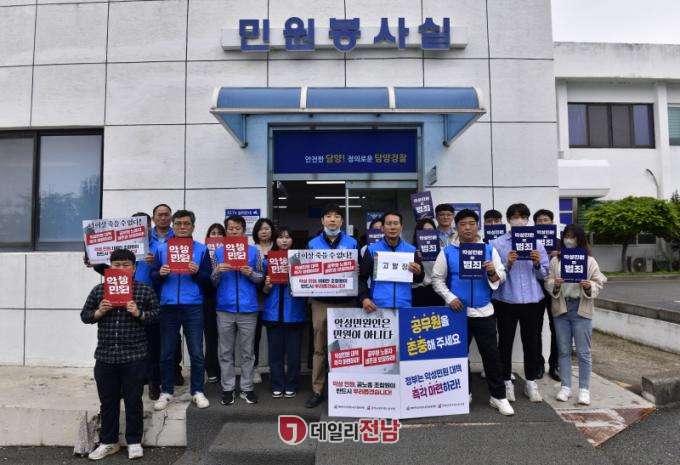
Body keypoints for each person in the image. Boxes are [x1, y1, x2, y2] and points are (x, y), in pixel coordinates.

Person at [431, 209, 514, 416]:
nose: (467, 228)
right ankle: (463, 393)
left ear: (478, 226)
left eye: (471, 223)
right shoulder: (447, 252)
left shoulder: (489, 250)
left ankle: (498, 396)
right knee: (459, 355)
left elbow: (501, 276)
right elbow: (437, 279)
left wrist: (492, 272)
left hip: (484, 311)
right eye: (463, 224)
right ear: (456, 227)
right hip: (457, 313)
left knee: (492, 356)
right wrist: (450, 298)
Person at [80, 248, 160, 461]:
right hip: (105, 356)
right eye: (117, 265)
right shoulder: (100, 290)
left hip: (134, 356)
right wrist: (99, 311)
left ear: (134, 268)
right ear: (110, 267)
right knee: (108, 402)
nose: (121, 268)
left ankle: (134, 442)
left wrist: (139, 313)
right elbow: (85, 316)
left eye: (126, 265)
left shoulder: (144, 291)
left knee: (134, 401)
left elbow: (156, 316)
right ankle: (108, 442)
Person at [152, 210, 212, 411]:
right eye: (178, 223)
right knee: (167, 353)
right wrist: (160, 274)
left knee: (196, 352)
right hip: (168, 305)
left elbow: (209, 279)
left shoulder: (201, 249)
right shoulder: (162, 249)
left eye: (186, 223)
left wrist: (197, 273)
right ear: (173, 226)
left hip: (193, 305)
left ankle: (197, 391)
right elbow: (153, 276)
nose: (182, 227)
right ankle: (167, 391)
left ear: (193, 226)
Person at [491, 203, 549, 403]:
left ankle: (531, 382)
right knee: (505, 343)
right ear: (508, 220)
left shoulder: (537, 243)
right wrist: (507, 263)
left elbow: (544, 274)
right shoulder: (498, 244)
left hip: (532, 300)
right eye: (515, 217)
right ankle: (506, 381)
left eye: (523, 217)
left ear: (528, 220)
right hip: (506, 300)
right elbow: (494, 275)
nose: (519, 220)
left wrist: (537, 263)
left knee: (531, 343)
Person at [545, 224, 606, 405]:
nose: (569, 240)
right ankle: (565, 387)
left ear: (579, 239)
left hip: (581, 308)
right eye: (566, 236)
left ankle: (584, 390)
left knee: (583, 352)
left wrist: (589, 285)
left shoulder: (589, 261)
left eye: (572, 236)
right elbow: (548, 281)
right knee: (563, 350)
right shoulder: (556, 260)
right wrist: (555, 284)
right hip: (562, 309)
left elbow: (599, 282)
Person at [305, 204, 358, 409]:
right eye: (328, 216)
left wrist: (357, 269)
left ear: (342, 221)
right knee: (319, 348)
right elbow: (304, 271)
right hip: (320, 302)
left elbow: (361, 273)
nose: (332, 219)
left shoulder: (352, 243)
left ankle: (344, 389)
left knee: (344, 348)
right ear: (322, 221)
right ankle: (317, 390)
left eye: (336, 216)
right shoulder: (312, 244)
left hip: (346, 302)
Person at [212, 215, 264, 406]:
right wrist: (217, 271)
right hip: (224, 307)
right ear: (226, 231)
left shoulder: (254, 251)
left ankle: (247, 388)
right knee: (225, 351)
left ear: (243, 230)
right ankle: (227, 388)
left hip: (248, 307)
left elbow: (260, 278)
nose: (234, 231)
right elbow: (213, 282)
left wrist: (251, 273)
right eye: (230, 228)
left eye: (237, 228)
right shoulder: (218, 252)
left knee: (247, 352)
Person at [262, 227, 306, 398]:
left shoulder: (301, 260)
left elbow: (309, 286)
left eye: (288, 237)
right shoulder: (267, 261)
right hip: (273, 314)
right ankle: (277, 384)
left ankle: (292, 384)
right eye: (280, 237)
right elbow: (263, 290)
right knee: (275, 355)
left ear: (293, 240)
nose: (284, 240)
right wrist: (267, 285)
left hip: (294, 313)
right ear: (275, 240)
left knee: (294, 355)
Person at [359, 211, 424, 311]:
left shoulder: (411, 250)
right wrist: (365, 298)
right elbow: (362, 278)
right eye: (389, 224)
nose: (392, 227)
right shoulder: (372, 250)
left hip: (405, 305)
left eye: (396, 223)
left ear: (401, 227)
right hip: (377, 306)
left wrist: (418, 272)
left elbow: (419, 279)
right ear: (382, 228)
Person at [151, 203, 184, 387]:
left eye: (166, 215)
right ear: (153, 218)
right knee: (150, 336)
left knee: (173, 335)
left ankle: (175, 370)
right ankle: (152, 375)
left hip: (171, 293)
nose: (163, 218)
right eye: (159, 215)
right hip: (146, 290)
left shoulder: (180, 237)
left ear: (171, 218)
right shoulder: (143, 239)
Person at [533, 209, 560, 381]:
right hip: (536, 288)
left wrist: (560, 255)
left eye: (546, 220)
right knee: (535, 328)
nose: (543, 223)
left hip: (555, 290)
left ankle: (555, 364)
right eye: (539, 221)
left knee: (556, 327)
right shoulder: (529, 242)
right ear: (534, 224)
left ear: (552, 222)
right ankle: (538, 364)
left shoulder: (560, 243)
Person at [252, 218, 275, 385]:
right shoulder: (251, 250)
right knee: (255, 336)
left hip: (276, 298)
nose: (264, 231)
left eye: (267, 228)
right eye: (261, 229)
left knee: (275, 336)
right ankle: (254, 368)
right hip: (257, 299)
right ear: (256, 232)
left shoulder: (279, 247)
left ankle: (275, 368)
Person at [203, 223, 226, 384]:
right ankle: (211, 367)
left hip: (225, 297)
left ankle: (225, 369)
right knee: (210, 336)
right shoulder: (203, 252)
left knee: (225, 337)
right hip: (208, 298)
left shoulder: (230, 253)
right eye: (213, 233)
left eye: (219, 233)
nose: (216, 236)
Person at [411, 217, 445, 307]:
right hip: (418, 290)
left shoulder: (442, 250)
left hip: (437, 290)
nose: (427, 233)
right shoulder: (412, 250)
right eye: (424, 230)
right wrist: (417, 258)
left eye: (430, 230)